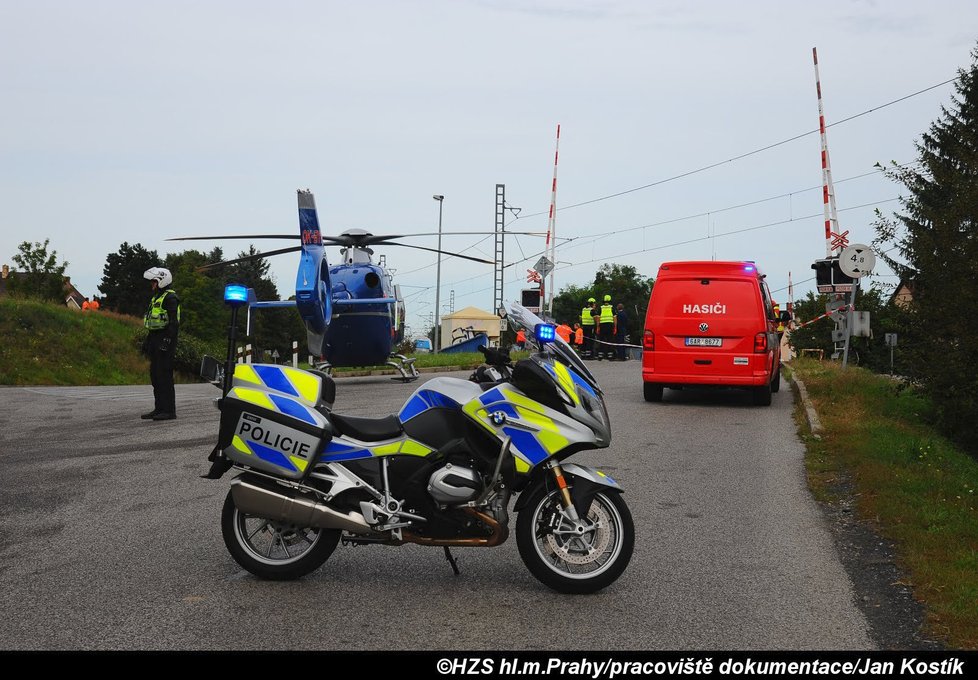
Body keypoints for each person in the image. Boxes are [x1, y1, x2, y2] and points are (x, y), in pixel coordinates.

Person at [141, 267, 180, 421]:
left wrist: (167, 341)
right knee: (155, 376)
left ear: (161, 281)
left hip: (166, 340)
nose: (152, 285)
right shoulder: (157, 297)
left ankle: (169, 410)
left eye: (153, 282)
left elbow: (173, 324)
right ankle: (159, 408)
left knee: (165, 376)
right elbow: (153, 323)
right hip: (155, 338)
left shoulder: (170, 298)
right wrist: (147, 342)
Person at [597, 294, 614, 360]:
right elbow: (615, 318)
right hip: (610, 325)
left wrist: (598, 327)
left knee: (601, 340)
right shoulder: (612, 307)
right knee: (610, 340)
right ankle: (610, 356)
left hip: (602, 325)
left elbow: (598, 318)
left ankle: (600, 356)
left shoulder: (601, 308)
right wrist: (615, 326)